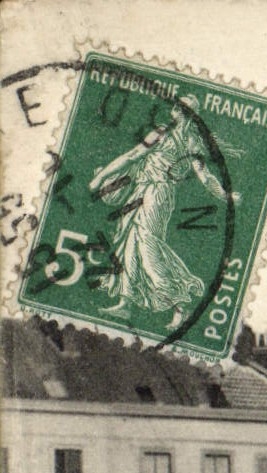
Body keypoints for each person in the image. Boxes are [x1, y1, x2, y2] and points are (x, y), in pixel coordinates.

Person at [88, 97, 240, 330]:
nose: (174, 110)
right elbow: (133, 156)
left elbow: (205, 176)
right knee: (130, 242)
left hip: (157, 194)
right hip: (141, 188)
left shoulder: (185, 140)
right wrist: (101, 177)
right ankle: (125, 302)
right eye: (176, 106)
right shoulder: (169, 134)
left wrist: (226, 196)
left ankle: (180, 304)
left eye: (180, 107)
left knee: (148, 246)